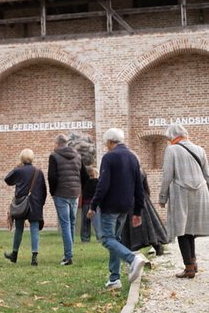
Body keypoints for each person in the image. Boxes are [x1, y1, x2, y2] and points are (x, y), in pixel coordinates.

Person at [87, 128, 150, 290]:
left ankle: (132, 259)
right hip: (126, 206)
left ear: (110, 142)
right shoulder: (132, 157)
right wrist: (137, 210)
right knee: (115, 239)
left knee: (106, 239)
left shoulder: (109, 157)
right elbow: (139, 186)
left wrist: (93, 205)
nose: (106, 146)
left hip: (110, 205)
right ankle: (114, 279)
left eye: (106, 143)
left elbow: (102, 184)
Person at [158, 124, 209, 278]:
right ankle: (192, 263)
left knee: (182, 230)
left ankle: (189, 268)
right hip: (201, 192)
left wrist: (163, 196)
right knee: (190, 229)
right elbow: (207, 175)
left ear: (172, 136)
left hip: (181, 192)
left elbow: (167, 175)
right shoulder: (199, 149)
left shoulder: (172, 149)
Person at [48, 133, 88, 265]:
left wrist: (53, 192)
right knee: (71, 223)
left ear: (57, 144)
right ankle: (70, 252)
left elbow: (52, 177)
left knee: (65, 224)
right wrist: (78, 189)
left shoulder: (54, 156)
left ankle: (68, 256)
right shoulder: (77, 156)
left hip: (61, 193)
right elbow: (85, 176)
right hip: (75, 194)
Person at [3, 149, 47, 266]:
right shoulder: (38, 172)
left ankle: (14, 254)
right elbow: (44, 190)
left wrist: (16, 167)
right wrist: (41, 204)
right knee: (34, 229)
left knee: (19, 228)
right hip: (35, 204)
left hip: (21, 203)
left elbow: (7, 180)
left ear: (21, 158)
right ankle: (34, 257)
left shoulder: (18, 171)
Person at [120, 166, 167, 256]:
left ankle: (130, 250)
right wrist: (146, 199)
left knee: (131, 226)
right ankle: (157, 245)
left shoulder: (125, 171)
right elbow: (146, 188)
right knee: (149, 227)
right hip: (142, 199)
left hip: (131, 200)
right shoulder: (140, 170)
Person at [80, 166, 99, 242]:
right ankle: (99, 237)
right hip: (95, 204)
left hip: (85, 203)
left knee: (85, 222)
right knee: (97, 222)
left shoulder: (84, 182)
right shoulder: (97, 182)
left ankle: (85, 238)